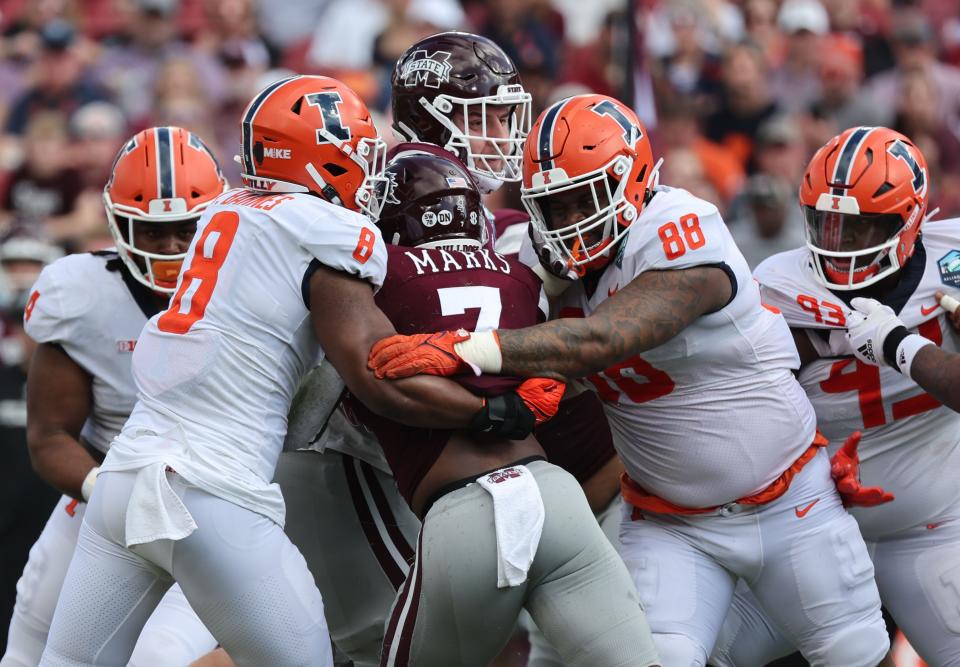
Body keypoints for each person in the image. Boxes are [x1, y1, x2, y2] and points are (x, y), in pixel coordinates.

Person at [38, 75, 559, 667]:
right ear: (326, 161)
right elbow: (379, 371)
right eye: (361, 155)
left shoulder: (223, 211)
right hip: (215, 492)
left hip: (126, 479)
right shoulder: (331, 231)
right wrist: (489, 410)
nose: (370, 171)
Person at [368, 93, 892, 666]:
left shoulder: (680, 225)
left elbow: (606, 338)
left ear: (632, 179)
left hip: (791, 498)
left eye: (582, 200)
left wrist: (466, 348)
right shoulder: (554, 275)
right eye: (555, 206)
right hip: (672, 527)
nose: (570, 222)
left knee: (853, 651)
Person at [357, 150, 657, 667]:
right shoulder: (522, 278)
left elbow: (363, 376)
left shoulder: (373, 278)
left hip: (465, 511)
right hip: (557, 498)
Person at [711, 126, 960, 667]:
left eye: (861, 226)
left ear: (909, 221)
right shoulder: (778, 283)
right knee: (714, 650)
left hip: (934, 525)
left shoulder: (952, 260)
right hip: (809, 523)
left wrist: (900, 347)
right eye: (828, 223)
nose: (839, 242)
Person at [1, 126, 227, 667]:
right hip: (103, 490)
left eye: (184, 229)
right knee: (33, 640)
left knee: (160, 657)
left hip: (217, 504)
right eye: (153, 232)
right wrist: (108, 490)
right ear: (117, 223)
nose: (172, 248)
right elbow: (50, 434)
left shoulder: (257, 288)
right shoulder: (81, 295)